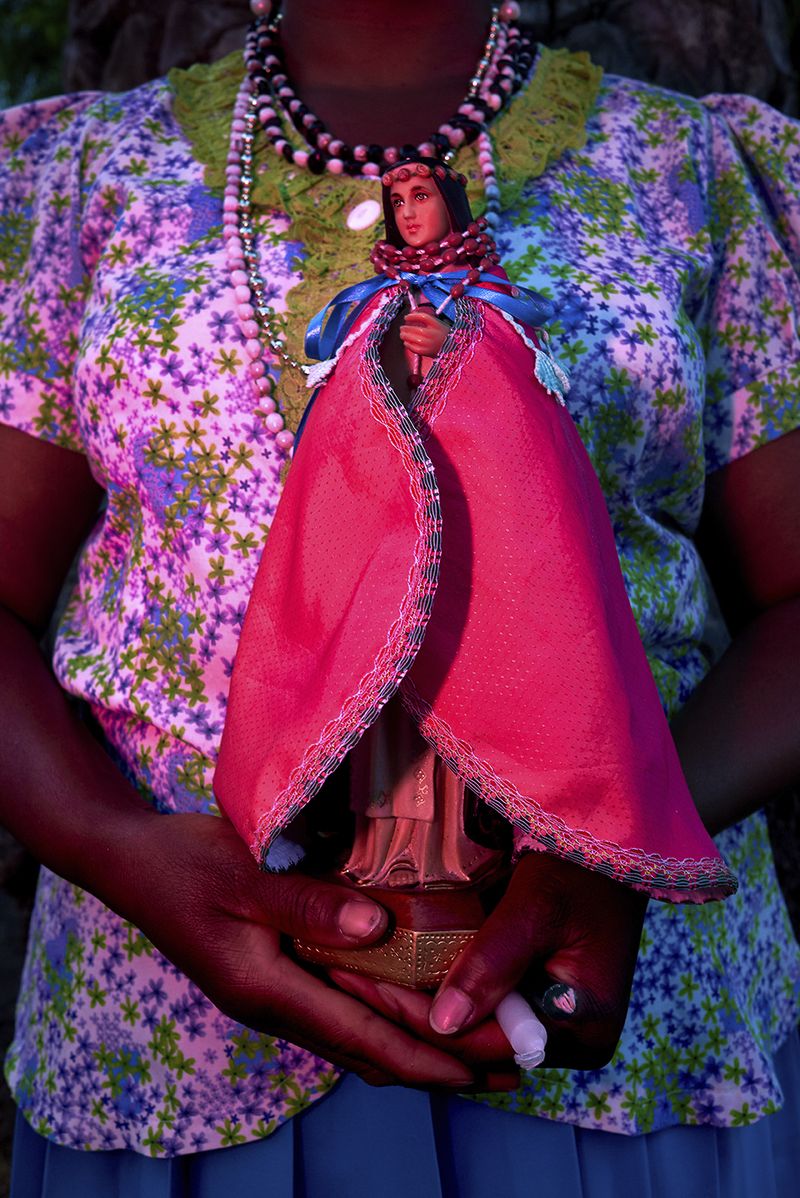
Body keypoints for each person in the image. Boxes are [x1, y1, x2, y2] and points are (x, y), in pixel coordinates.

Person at [1, 0, 798, 1194]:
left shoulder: (689, 169)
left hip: (623, 1039)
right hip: (172, 1043)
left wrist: (615, 841)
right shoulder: (79, 180)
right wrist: (106, 845)